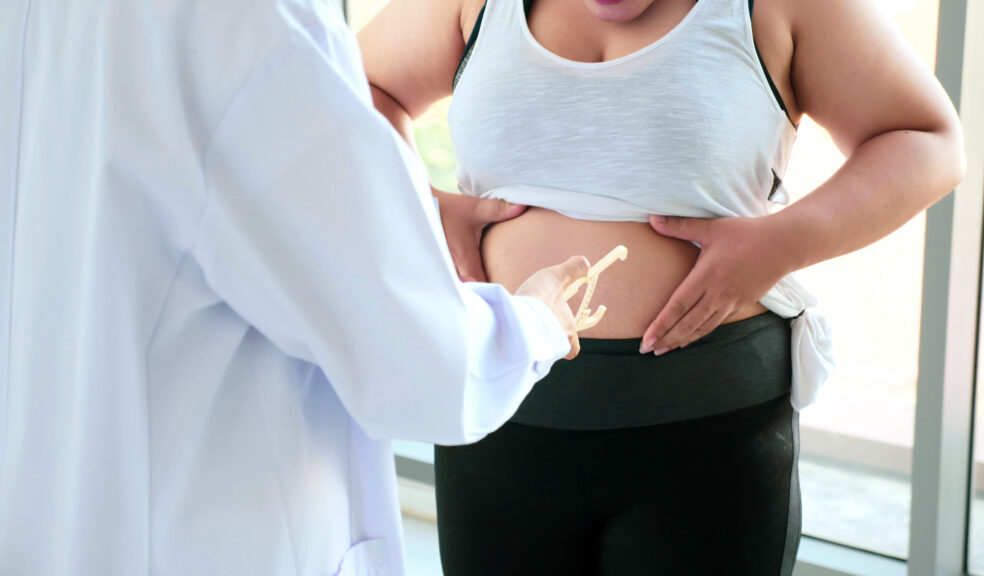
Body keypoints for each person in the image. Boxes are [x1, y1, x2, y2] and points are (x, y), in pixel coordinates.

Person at [358, 0, 965, 572]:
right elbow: (353, 90)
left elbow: (924, 139)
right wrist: (419, 203)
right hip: (496, 415)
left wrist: (783, 241)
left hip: (708, 435)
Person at [0, 0, 594, 574]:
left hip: (55, 509)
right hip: (208, 533)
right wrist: (534, 321)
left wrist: (400, 205)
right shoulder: (248, 22)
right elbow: (423, 364)